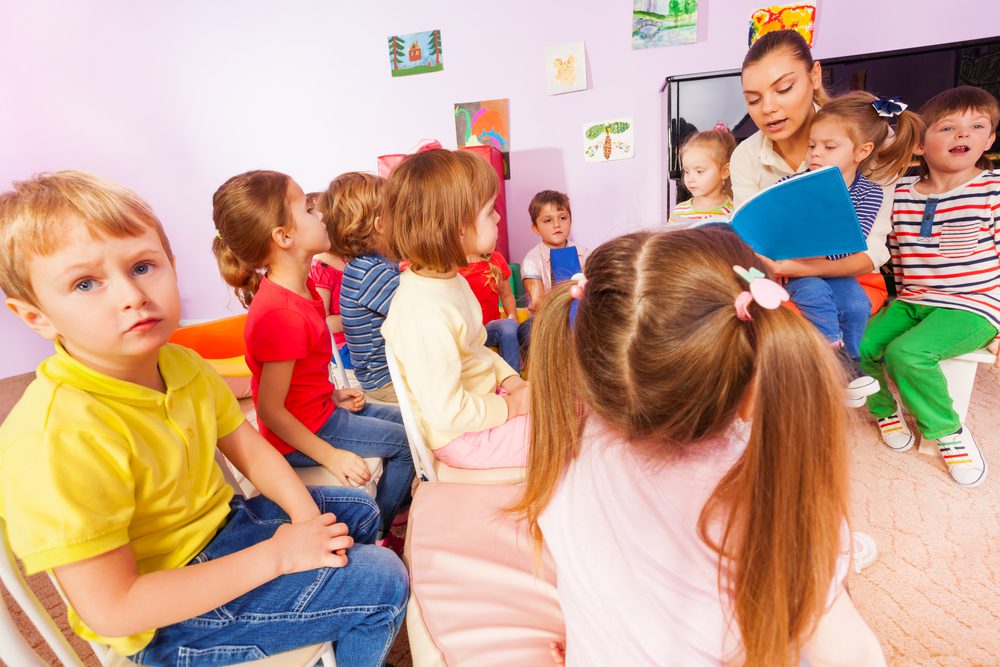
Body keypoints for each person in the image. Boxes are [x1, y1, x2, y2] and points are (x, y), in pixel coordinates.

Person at [0, 171, 407, 665]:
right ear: (37, 315)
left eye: (143, 266)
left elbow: (251, 450)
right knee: (384, 578)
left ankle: (328, 610)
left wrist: (305, 524)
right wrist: (280, 555)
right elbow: (113, 609)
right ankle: (344, 607)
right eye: (86, 283)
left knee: (356, 513)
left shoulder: (182, 365)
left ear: (172, 265)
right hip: (167, 619)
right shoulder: (54, 438)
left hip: (222, 531)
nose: (130, 294)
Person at [514, 228, 885, 667]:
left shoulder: (565, 444)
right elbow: (851, 655)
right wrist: (820, 554)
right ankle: (838, 560)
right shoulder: (769, 495)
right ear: (750, 388)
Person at [212, 170, 413, 536]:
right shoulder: (280, 314)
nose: (320, 215)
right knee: (406, 445)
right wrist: (330, 456)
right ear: (284, 236)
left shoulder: (301, 290)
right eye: (307, 209)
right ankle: (379, 529)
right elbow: (271, 412)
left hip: (322, 412)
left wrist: (333, 394)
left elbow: (298, 380)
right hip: (304, 435)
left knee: (412, 422)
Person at [860, 86, 1000, 488]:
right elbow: (898, 256)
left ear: (989, 140)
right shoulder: (900, 193)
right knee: (859, 344)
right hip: (914, 300)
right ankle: (885, 410)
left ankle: (947, 432)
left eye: (977, 127)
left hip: (974, 305)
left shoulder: (992, 189)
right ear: (919, 145)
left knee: (907, 353)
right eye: (949, 128)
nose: (963, 136)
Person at [382, 149, 530, 469]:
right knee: (570, 435)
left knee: (570, 407)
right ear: (457, 228)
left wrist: (511, 381)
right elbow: (446, 412)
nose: (499, 218)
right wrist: (513, 407)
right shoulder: (423, 312)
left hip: (482, 411)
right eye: (490, 211)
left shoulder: (453, 281)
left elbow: (476, 349)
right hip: (461, 437)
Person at [771, 91, 922, 405]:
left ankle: (850, 364)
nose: (815, 154)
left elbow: (852, 242)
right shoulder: (791, 184)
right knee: (814, 295)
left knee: (855, 304)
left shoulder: (869, 193)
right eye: (812, 145)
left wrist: (815, 246)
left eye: (829, 147)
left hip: (834, 269)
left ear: (861, 151)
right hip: (798, 272)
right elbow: (777, 229)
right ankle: (834, 365)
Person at [335, 174, 401, 404]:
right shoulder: (371, 273)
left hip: (385, 374)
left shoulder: (371, 263)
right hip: (387, 380)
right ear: (381, 225)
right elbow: (416, 310)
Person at [518, 190, 590, 351]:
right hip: (545, 319)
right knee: (526, 330)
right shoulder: (532, 259)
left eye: (563, 218)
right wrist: (560, 320)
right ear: (535, 228)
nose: (557, 225)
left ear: (570, 221)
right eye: (548, 220)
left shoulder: (584, 253)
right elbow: (537, 301)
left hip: (579, 317)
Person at [459, 249, 522, 372]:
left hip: (488, 329)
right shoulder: (451, 263)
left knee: (508, 327)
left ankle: (514, 379)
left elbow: (507, 295)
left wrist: (513, 318)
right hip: (465, 332)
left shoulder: (496, 259)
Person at [308, 186, 350, 368]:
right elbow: (322, 321)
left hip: (365, 339)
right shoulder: (321, 269)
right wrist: (358, 318)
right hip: (344, 348)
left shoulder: (346, 258)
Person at [667, 124, 736, 229]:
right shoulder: (679, 213)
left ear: (724, 172)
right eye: (686, 171)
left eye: (699, 171)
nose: (690, 179)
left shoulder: (735, 211)